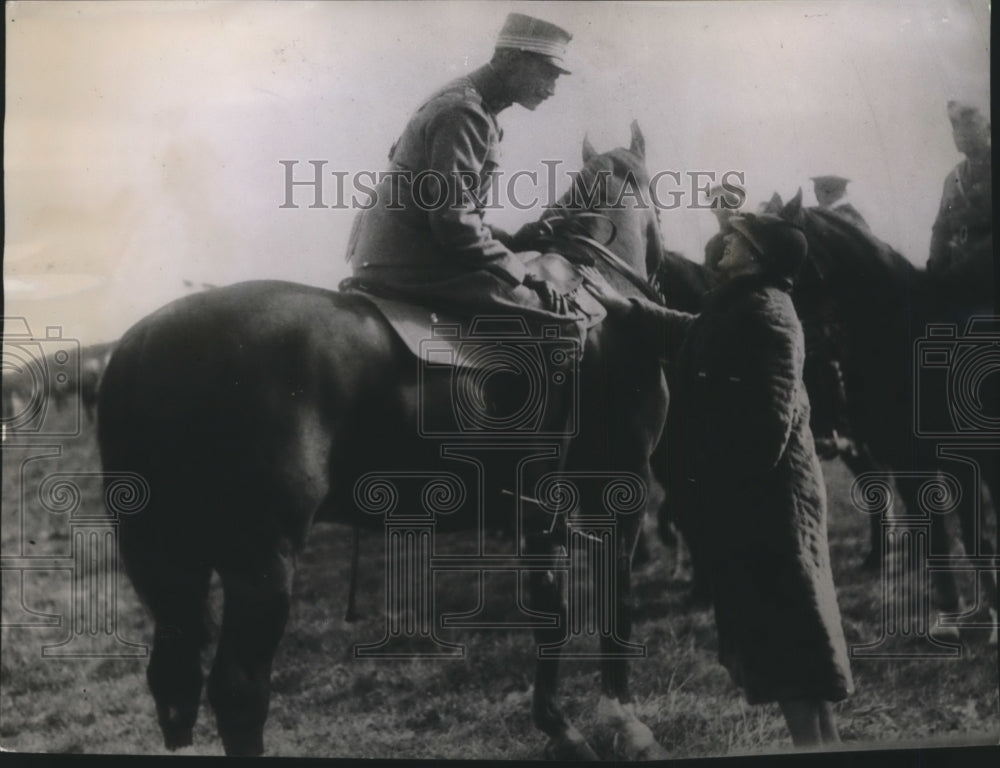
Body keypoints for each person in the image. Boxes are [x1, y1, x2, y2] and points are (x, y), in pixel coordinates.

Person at [582, 212, 854, 748]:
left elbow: (767, 429)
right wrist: (623, 308)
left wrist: (716, 493)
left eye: (736, 238)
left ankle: (817, 749)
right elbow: (690, 331)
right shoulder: (743, 305)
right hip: (761, 502)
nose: (724, 242)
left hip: (770, 506)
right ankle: (823, 747)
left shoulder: (768, 316)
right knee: (792, 645)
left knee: (790, 645)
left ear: (756, 256)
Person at [344, 12, 583, 323]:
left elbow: (452, 212)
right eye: (546, 73)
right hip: (408, 262)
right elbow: (454, 222)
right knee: (561, 321)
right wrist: (522, 273)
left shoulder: (471, 104)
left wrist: (510, 240)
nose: (551, 89)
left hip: (398, 251)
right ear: (511, 58)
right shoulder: (464, 112)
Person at [927, 100, 993, 314]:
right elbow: (940, 230)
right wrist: (934, 276)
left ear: (988, 127)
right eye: (956, 126)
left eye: (970, 123)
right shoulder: (952, 179)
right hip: (958, 288)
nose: (962, 131)